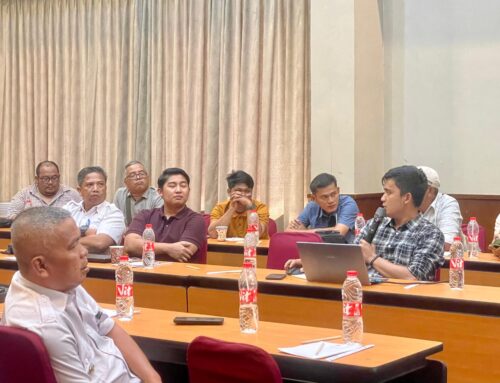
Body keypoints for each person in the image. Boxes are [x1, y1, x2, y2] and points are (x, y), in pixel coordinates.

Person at [1, 207, 161, 383]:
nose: (83, 251)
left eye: (80, 241)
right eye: (73, 246)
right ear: (41, 266)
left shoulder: (55, 280)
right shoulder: (46, 323)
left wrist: (152, 378)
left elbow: (110, 329)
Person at [285, 166, 444, 281]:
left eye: (388, 192)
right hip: (361, 294)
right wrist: (312, 261)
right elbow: (349, 255)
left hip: (401, 305)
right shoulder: (374, 225)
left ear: (406, 198)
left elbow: (413, 276)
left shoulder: (430, 234)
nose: (382, 198)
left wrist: (372, 258)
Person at [124, 167, 206, 263]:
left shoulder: (196, 219)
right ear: (160, 192)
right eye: (172, 186)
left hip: (179, 275)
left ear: (189, 190)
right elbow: (130, 245)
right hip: (145, 274)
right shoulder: (145, 215)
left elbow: (184, 251)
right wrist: (168, 248)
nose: (178, 190)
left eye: (183, 186)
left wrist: (144, 247)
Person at [64, 166, 125, 253]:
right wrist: (85, 231)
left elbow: (99, 243)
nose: (96, 189)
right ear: (79, 190)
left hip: (97, 265)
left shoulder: (113, 213)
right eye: (90, 185)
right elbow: (52, 235)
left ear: (106, 188)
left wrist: (65, 241)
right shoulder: (69, 209)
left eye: (100, 184)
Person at [286, 173, 359, 243]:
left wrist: (304, 232)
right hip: (316, 252)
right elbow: (288, 232)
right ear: (314, 198)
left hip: (345, 252)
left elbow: (338, 234)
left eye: (333, 194)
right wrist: (333, 229)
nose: (331, 200)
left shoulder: (348, 203)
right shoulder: (311, 207)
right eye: (324, 197)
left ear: (338, 191)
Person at [7, 160, 81, 219]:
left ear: (59, 176)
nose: (50, 182)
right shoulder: (25, 194)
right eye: (45, 178)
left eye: (54, 178)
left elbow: (84, 215)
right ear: (36, 179)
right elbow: (11, 215)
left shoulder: (71, 194)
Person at [208, 170, 269, 239]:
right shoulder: (220, 207)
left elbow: (256, 234)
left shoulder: (261, 207)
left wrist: (249, 206)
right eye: (238, 190)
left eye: (247, 191)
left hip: (256, 248)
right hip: (227, 249)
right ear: (229, 192)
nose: (243, 195)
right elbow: (213, 234)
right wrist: (232, 208)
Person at [417, 166, 463, 250]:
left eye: (415, 187)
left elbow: (447, 243)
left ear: (430, 190)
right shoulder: (408, 204)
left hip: (449, 261)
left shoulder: (448, 203)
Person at [113, 160, 163, 225]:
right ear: (125, 182)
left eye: (142, 174)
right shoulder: (120, 194)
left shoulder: (158, 195)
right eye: (133, 175)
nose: (138, 177)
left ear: (148, 178)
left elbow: (158, 224)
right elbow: (115, 220)